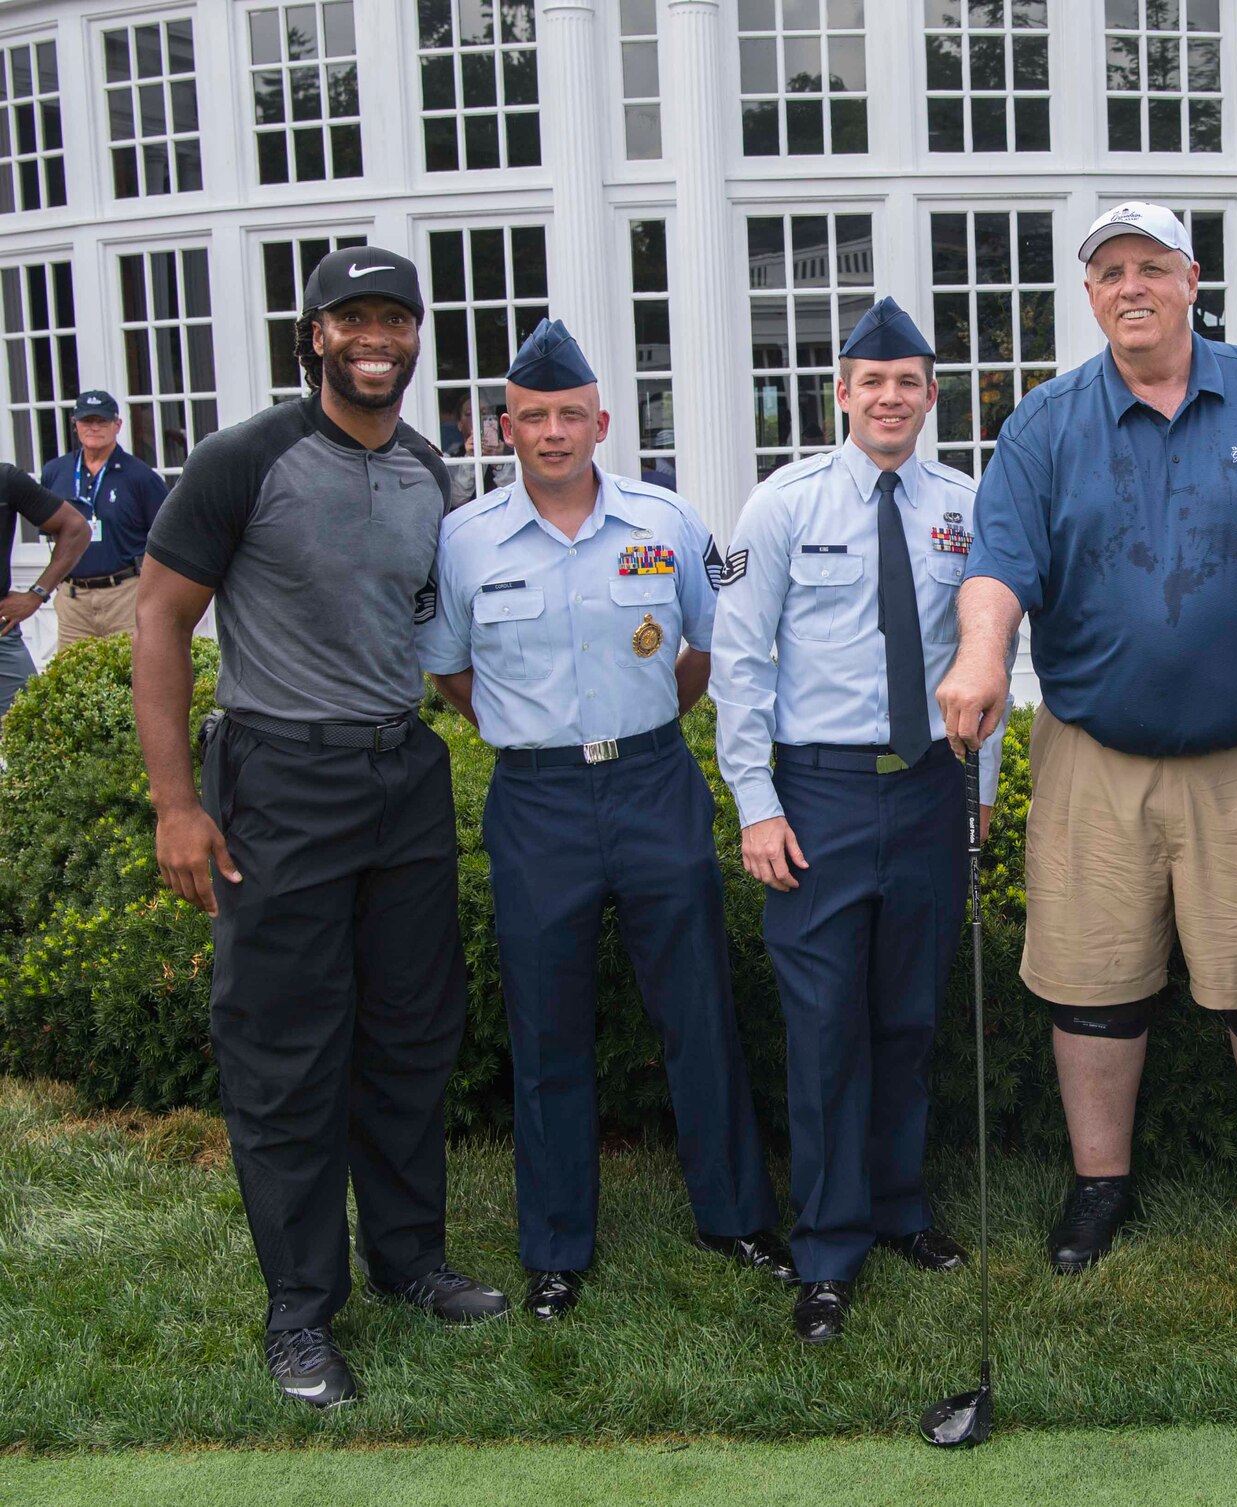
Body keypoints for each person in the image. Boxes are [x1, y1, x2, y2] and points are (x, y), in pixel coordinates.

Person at [133, 246, 509, 1412]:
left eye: (393, 318)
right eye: (351, 319)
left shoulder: (425, 468)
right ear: (312, 336)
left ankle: (409, 1263)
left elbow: (425, 635)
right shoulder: (244, 458)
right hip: (278, 781)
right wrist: (177, 805)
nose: (374, 338)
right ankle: (300, 1314)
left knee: (408, 1034)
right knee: (287, 1053)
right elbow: (156, 621)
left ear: (413, 336)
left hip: (398, 777)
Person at [937, 202, 1237, 1275]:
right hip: (1093, 751)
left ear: (1191, 278)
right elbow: (997, 565)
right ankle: (1097, 1184)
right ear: (1089, 293)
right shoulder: (1042, 424)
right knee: (1093, 980)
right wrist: (982, 655)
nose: (1131, 287)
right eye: (1109, 270)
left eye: (1150, 267)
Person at [421, 319, 789, 1324]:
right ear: (505, 426)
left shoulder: (666, 520)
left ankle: (733, 1215)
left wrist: (642, 727)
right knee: (547, 1026)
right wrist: (525, 733)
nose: (552, 432)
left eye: (569, 416)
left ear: (602, 422)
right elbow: (451, 668)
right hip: (535, 798)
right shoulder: (464, 541)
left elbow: (712, 646)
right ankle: (554, 1247)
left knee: (698, 1010)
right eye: (533, 417)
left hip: (651, 781)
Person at [711, 297, 1005, 1344]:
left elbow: (986, 660)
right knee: (826, 1025)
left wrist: (977, 796)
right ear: (840, 393)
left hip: (927, 788)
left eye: (909, 381)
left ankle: (898, 1208)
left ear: (930, 396)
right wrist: (755, 804)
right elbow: (739, 664)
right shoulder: (779, 507)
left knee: (906, 1016)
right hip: (819, 795)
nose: (889, 397)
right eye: (870, 381)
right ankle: (827, 1250)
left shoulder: (966, 506)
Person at [39, 391, 169, 650]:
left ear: (117, 425)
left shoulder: (141, 477)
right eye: (87, 421)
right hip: (73, 597)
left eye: (102, 421)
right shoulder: (55, 472)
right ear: (75, 424)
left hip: (124, 594)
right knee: (72, 678)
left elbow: (166, 538)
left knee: (130, 675)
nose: (94, 428)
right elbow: (46, 528)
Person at [0, 464, 89, 718]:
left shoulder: (6, 479)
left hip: (1, 633)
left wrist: (36, 594)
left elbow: (76, 528)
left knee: (28, 722)